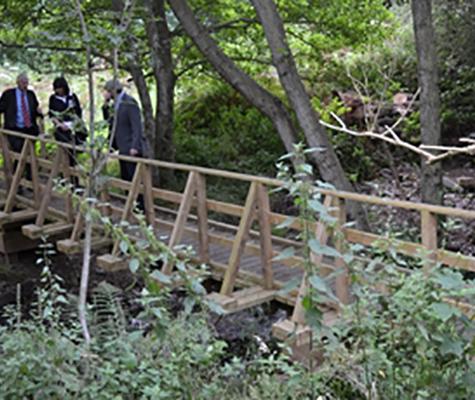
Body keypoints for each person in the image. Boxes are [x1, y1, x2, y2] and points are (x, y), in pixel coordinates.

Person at [103, 79, 148, 209]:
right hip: (122, 147)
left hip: (131, 148)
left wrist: (135, 146)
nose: (106, 94)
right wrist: (105, 105)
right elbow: (109, 122)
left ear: (113, 91)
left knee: (135, 179)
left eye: (108, 91)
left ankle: (141, 208)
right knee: (125, 178)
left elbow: (137, 127)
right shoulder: (114, 104)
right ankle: (130, 207)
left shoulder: (129, 102)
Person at [0, 73, 43, 179]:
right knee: (19, 154)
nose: (25, 85)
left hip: (29, 129)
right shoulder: (9, 94)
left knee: (30, 155)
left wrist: (40, 113)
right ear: (17, 82)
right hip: (14, 129)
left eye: (26, 83)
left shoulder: (30, 94)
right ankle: (16, 182)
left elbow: (35, 109)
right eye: (23, 82)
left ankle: (30, 180)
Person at [48, 77, 86, 186]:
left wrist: (73, 124)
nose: (58, 91)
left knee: (73, 155)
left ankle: (75, 181)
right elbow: (52, 114)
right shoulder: (53, 99)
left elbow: (78, 112)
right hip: (61, 130)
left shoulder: (72, 97)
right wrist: (59, 124)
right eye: (56, 88)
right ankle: (66, 179)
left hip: (73, 128)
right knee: (65, 155)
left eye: (59, 88)